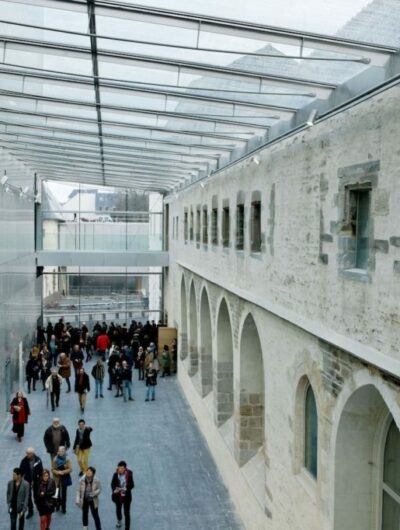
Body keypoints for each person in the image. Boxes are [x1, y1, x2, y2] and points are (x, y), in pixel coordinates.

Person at [19, 447, 43, 520]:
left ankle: (38, 507)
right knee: (28, 497)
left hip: (36, 481)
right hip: (27, 481)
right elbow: (21, 471)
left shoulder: (38, 460)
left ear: (32, 454)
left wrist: (40, 479)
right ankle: (31, 511)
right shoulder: (24, 461)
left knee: (36, 496)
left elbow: (41, 470)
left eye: (28, 454)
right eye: (26, 453)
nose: (27, 455)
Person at [111, 461, 134, 530]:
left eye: (121, 468)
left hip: (126, 497)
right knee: (118, 510)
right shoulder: (115, 475)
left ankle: (127, 528)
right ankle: (119, 520)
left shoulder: (129, 475)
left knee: (126, 513)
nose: (120, 469)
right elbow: (112, 484)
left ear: (125, 468)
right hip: (118, 496)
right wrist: (115, 489)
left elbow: (132, 485)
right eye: (119, 468)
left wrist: (126, 488)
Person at [52, 446, 72, 514]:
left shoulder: (67, 459)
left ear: (64, 451)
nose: (60, 452)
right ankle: (57, 505)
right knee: (57, 493)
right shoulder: (55, 459)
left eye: (62, 451)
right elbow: (52, 469)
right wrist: (58, 472)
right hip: (57, 479)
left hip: (64, 478)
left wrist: (63, 472)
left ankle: (63, 508)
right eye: (59, 451)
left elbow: (70, 469)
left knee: (64, 494)